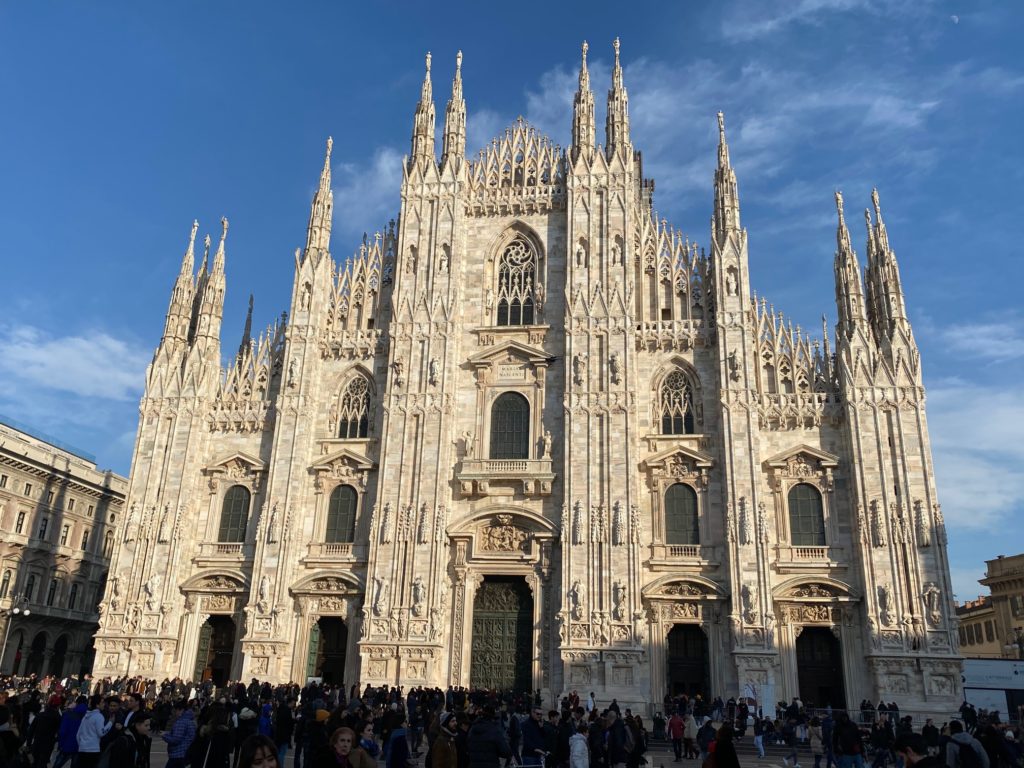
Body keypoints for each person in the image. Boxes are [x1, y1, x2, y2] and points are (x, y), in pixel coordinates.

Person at [76, 694, 113, 768]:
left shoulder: (85, 717)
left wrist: (81, 744)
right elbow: (101, 733)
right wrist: (110, 723)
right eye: (102, 702)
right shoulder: (99, 716)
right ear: (97, 705)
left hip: (82, 749)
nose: (104, 704)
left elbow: (78, 734)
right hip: (93, 750)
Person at [28, 694, 62, 768]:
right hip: (48, 744)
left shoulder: (40, 715)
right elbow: (59, 732)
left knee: (34, 762)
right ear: (58, 706)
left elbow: (31, 730)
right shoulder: (58, 718)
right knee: (42, 763)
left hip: (37, 742)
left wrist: (28, 743)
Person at [54, 695, 88, 768]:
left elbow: (62, 731)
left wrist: (60, 744)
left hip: (66, 744)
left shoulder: (68, 714)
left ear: (77, 703)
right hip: (80, 746)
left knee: (57, 764)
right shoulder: (88, 715)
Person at [163, 700, 195, 768]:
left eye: (176, 711)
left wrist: (164, 736)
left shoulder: (181, 721)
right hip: (185, 752)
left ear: (181, 710)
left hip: (178, 753)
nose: (175, 713)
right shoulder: (190, 720)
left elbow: (176, 739)